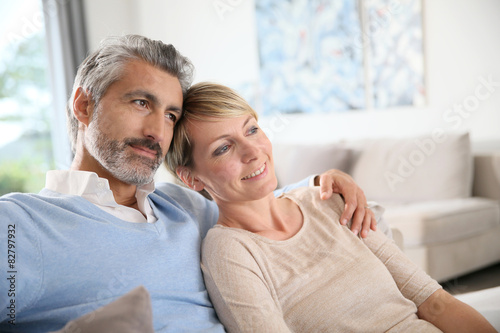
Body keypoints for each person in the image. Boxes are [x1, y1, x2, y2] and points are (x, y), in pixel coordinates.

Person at [0, 35, 376, 332]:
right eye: (140, 103)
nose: (156, 133)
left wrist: (319, 183)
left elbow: (255, 200)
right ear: (84, 106)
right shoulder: (20, 226)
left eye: (170, 115)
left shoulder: (185, 207)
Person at [166, 82, 497, 333]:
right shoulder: (230, 250)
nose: (253, 151)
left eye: (252, 129)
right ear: (192, 178)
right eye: (224, 148)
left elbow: (435, 303)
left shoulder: (327, 201)